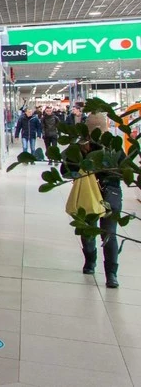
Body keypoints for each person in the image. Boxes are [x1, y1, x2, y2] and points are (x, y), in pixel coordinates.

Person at [64, 113, 123, 288]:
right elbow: (124, 170)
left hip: (88, 194)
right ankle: (111, 275)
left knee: (88, 230)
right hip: (111, 194)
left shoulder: (80, 146)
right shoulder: (114, 146)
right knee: (109, 234)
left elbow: (64, 170)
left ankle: (90, 262)